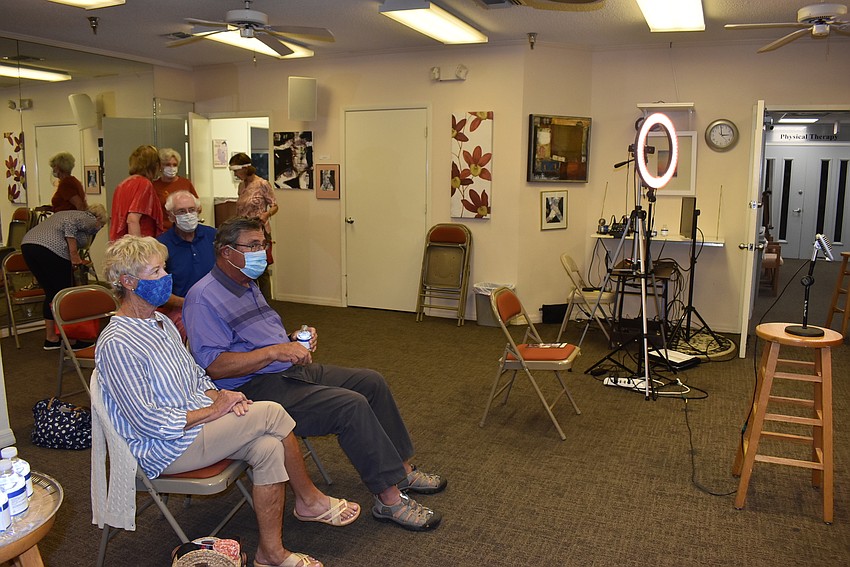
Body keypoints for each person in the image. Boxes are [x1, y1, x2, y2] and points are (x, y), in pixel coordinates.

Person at [96, 236, 361, 567]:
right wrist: (213, 410)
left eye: (164, 267)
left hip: (195, 426)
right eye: (156, 270)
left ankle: (270, 553)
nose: (167, 276)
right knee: (272, 414)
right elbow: (149, 421)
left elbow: (195, 377)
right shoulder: (117, 342)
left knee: (267, 448)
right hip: (164, 446)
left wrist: (221, 396)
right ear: (129, 282)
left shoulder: (160, 322)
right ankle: (308, 500)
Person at [184, 217, 445, 532]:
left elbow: (261, 338)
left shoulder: (246, 284)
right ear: (226, 252)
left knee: (370, 381)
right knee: (350, 405)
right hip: (253, 389)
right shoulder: (203, 298)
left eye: (263, 245)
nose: (261, 253)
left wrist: (292, 341)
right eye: (252, 246)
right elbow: (214, 366)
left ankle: (401, 470)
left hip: (287, 369)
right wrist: (274, 352)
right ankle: (389, 500)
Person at [20, 204, 107, 350]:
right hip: (50, 249)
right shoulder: (90, 218)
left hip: (28, 246)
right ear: (99, 218)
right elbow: (70, 226)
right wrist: (73, 255)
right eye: (102, 225)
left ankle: (51, 338)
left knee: (52, 293)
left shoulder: (71, 214)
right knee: (66, 295)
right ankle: (71, 340)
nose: (100, 228)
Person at [156, 191, 215, 338]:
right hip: (182, 307)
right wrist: (193, 302)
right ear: (171, 216)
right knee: (201, 334)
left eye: (191, 210)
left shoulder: (214, 236)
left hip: (217, 303)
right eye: (181, 211)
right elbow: (161, 293)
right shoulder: (161, 246)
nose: (188, 215)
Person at [229, 153, 278, 298]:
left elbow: (274, 205)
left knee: (261, 268)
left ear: (245, 168)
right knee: (244, 267)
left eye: (236, 170)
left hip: (259, 231)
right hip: (242, 231)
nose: (235, 174)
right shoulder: (241, 186)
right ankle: (249, 301)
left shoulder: (262, 184)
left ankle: (266, 302)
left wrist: (266, 215)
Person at [109, 145, 164, 241]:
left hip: (120, 243)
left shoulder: (123, 184)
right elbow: (132, 219)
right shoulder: (144, 184)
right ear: (154, 165)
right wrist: (137, 250)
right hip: (139, 243)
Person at [153, 148, 199, 231]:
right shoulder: (154, 186)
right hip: (164, 230)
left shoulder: (185, 183)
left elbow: (198, 207)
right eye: (167, 164)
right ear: (160, 166)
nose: (171, 168)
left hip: (184, 229)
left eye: (174, 165)